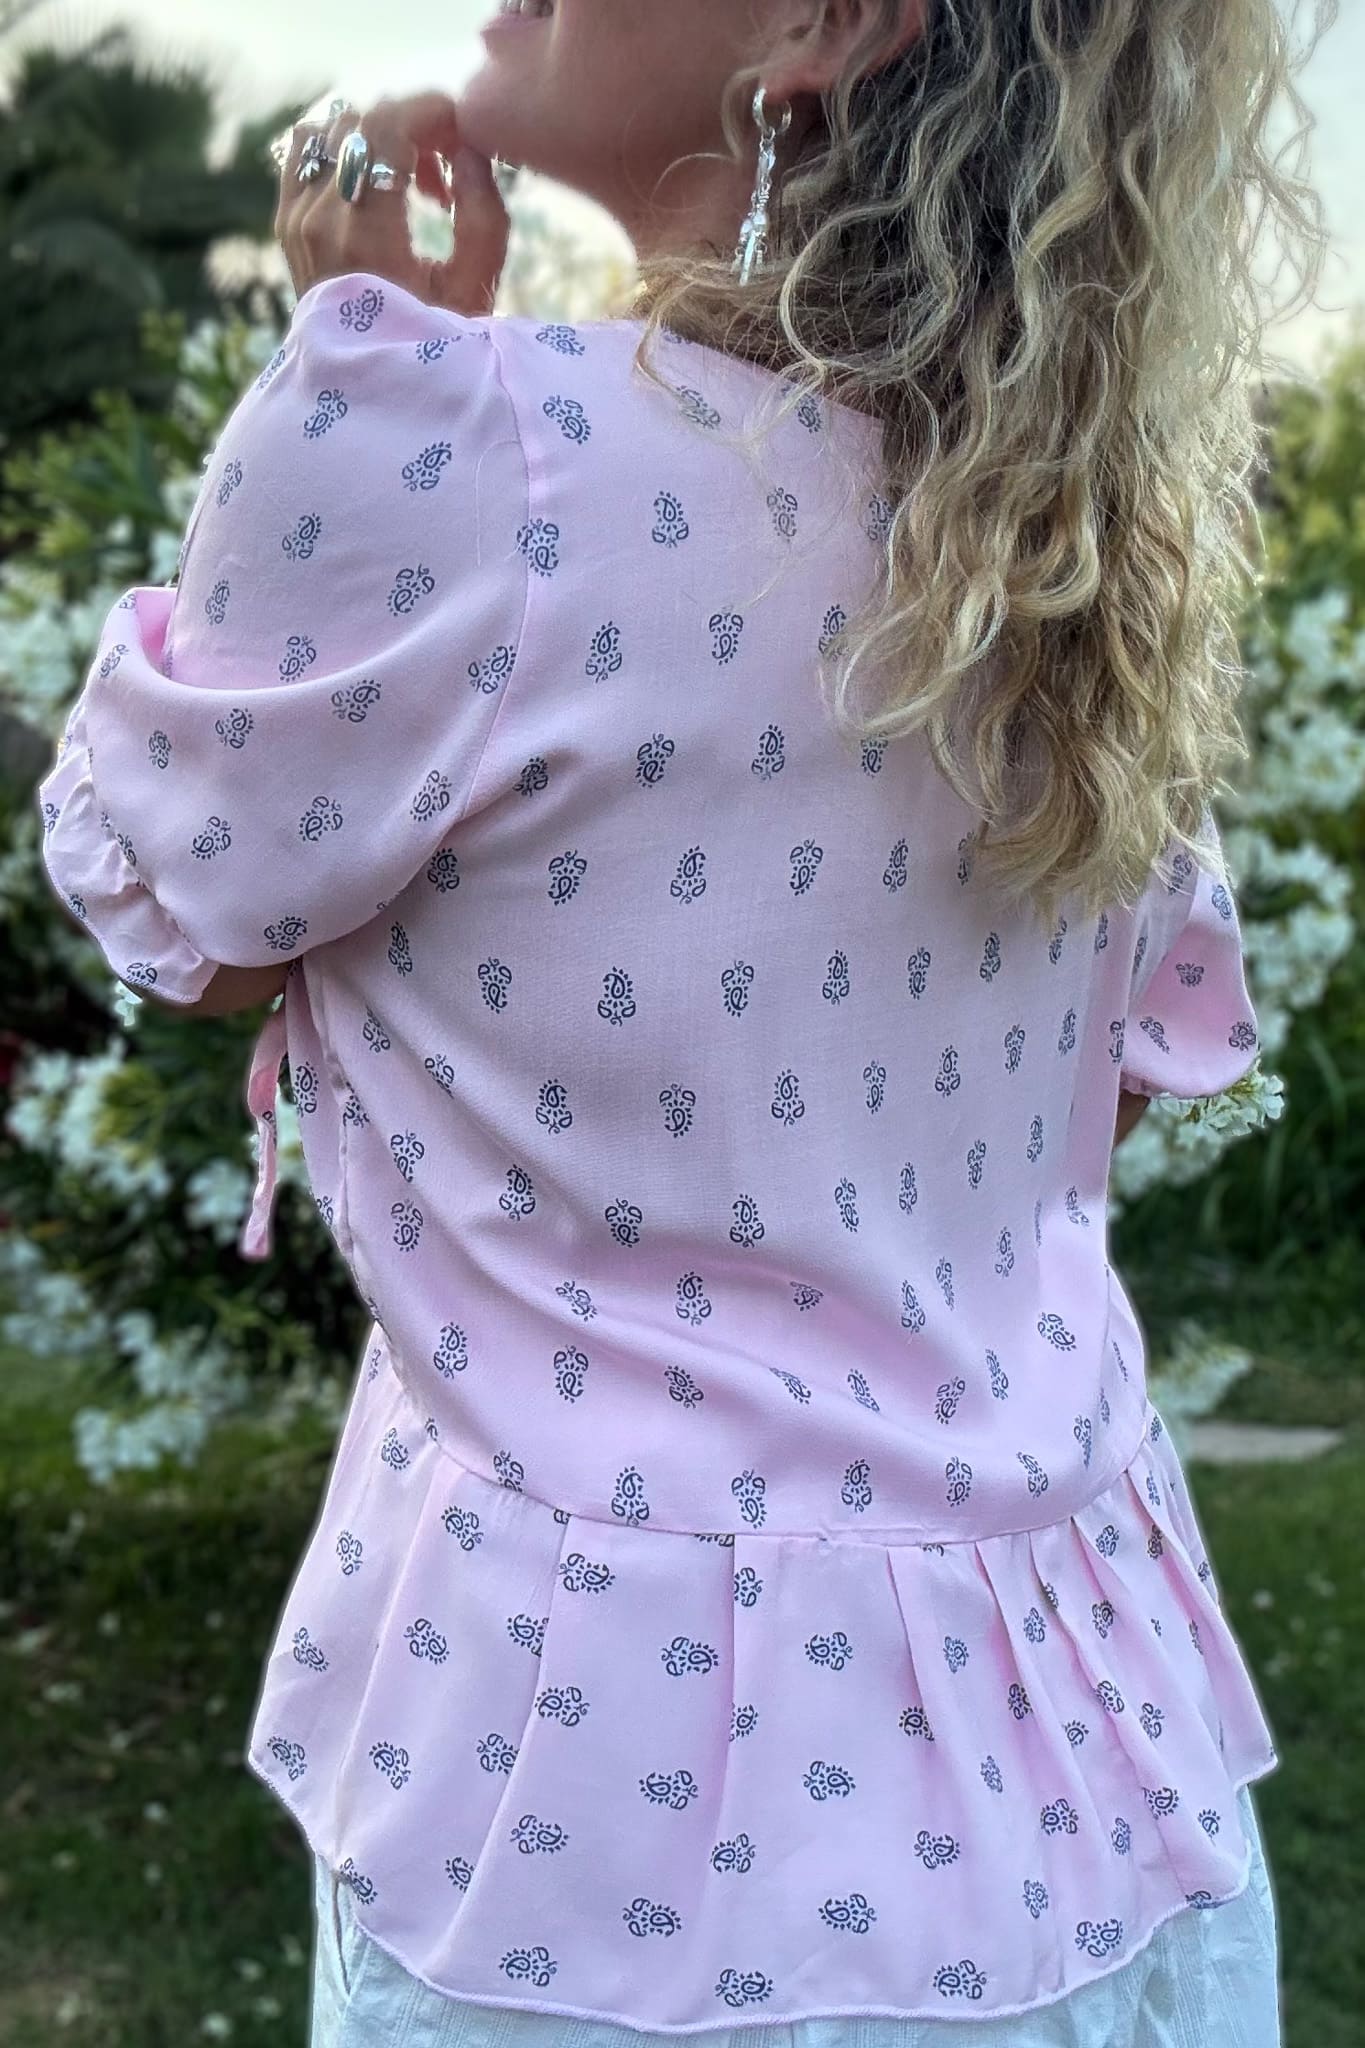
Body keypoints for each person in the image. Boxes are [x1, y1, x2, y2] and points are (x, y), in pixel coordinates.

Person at [35, 0, 1336, 2041]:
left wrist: (362, 358)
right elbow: (1085, 1101)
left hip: (597, 1804)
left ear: (822, 26)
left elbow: (184, 910)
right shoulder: (1054, 552)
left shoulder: (452, 441)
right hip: (1066, 1751)